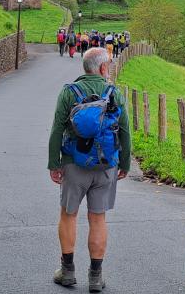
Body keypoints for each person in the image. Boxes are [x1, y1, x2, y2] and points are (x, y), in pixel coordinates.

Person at [48, 47, 131, 292]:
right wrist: (124, 163)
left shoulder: (69, 92)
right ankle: (95, 277)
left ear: (86, 68)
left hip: (74, 163)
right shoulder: (114, 92)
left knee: (68, 214)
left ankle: (67, 271)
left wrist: (54, 163)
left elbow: (56, 129)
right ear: (104, 68)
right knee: (98, 218)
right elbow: (124, 132)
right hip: (106, 166)